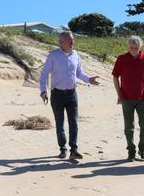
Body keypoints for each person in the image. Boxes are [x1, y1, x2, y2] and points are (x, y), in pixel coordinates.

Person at [39, 31, 99, 160]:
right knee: (59, 123)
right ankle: (62, 149)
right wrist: (43, 90)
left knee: (74, 123)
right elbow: (44, 74)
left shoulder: (75, 55)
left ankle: (74, 150)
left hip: (72, 94)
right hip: (57, 94)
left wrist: (89, 79)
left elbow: (79, 73)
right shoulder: (53, 55)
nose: (73, 42)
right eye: (70, 40)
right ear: (61, 42)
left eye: (73, 39)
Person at [112, 36, 144, 162]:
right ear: (128, 47)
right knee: (128, 126)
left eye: (136, 48)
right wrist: (119, 94)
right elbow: (115, 77)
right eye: (131, 47)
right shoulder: (122, 59)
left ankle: (143, 149)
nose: (133, 50)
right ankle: (131, 151)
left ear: (140, 47)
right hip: (126, 98)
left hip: (143, 98)